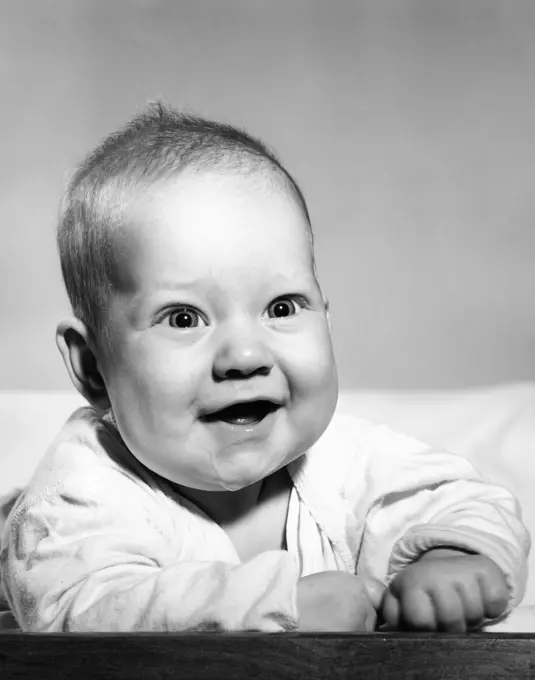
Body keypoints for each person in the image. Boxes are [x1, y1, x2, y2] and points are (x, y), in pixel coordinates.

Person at [0, 103, 529, 633]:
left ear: (327, 320)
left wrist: (450, 557)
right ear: (93, 367)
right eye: (184, 318)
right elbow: (83, 610)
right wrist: (278, 606)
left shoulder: (345, 461)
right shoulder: (75, 497)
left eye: (281, 308)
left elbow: (464, 501)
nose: (246, 357)